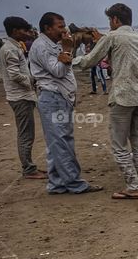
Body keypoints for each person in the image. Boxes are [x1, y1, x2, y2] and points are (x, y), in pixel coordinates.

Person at [76, 3, 138, 199]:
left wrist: (69, 60)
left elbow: (89, 61)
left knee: (119, 145)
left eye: (110, 20)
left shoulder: (112, 37)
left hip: (122, 96)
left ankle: (133, 185)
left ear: (115, 20)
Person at [28, 12, 102, 194]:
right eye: (60, 26)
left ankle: (57, 183)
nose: (64, 29)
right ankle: (75, 183)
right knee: (62, 141)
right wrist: (68, 50)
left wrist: (65, 51)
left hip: (59, 98)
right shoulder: (42, 46)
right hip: (53, 98)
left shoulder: (51, 44)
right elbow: (58, 71)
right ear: (47, 28)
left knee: (56, 141)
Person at [0, 16, 46, 179]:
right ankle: (28, 169)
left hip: (20, 95)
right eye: (24, 30)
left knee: (26, 132)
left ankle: (29, 166)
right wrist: (32, 81)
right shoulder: (11, 49)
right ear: (14, 31)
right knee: (26, 134)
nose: (27, 33)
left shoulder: (12, 47)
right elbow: (14, 75)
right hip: (20, 97)